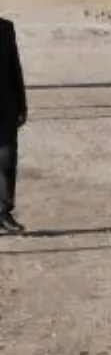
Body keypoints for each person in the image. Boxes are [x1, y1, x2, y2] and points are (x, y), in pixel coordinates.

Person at [0, 16, 26, 234]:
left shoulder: (6, 28)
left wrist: (21, 104)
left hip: (5, 106)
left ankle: (4, 211)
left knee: (7, 159)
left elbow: (14, 67)